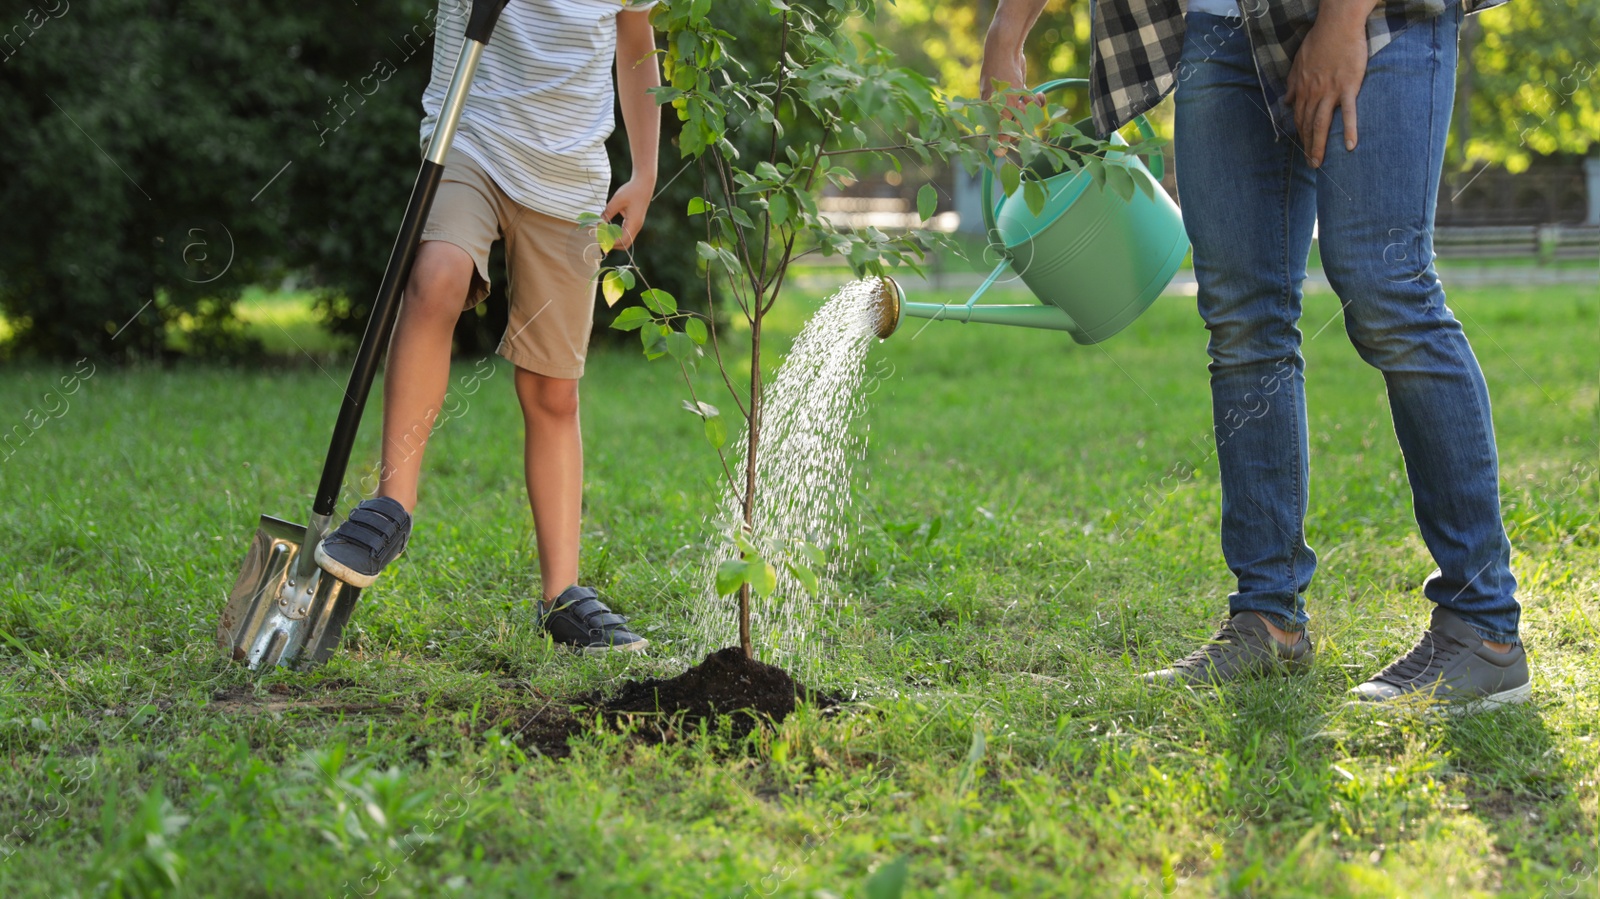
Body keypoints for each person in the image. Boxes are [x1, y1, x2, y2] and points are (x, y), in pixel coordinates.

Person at [980, 0, 1530, 711]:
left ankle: (1484, 627)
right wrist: (1007, 32)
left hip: (1374, 14)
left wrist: (1340, 21)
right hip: (1222, 23)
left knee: (1386, 286)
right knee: (1244, 319)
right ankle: (1267, 618)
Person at [314, 0, 662, 654]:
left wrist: (644, 173)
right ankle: (391, 507)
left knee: (552, 391)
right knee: (436, 277)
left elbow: (635, 37)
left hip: (571, 175)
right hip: (469, 136)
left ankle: (563, 595)